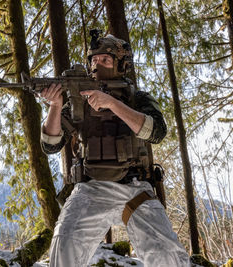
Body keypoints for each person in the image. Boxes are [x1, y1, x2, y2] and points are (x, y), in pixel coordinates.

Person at [40, 30, 190, 267]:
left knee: (167, 256)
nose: (97, 65)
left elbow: (157, 131)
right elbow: (51, 145)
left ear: (121, 65)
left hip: (135, 189)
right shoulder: (78, 100)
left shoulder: (136, 98)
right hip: (90, 189)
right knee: (64, 244)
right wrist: (55, 106)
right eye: (94, 60)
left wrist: (112, 103)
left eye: (106, 60)